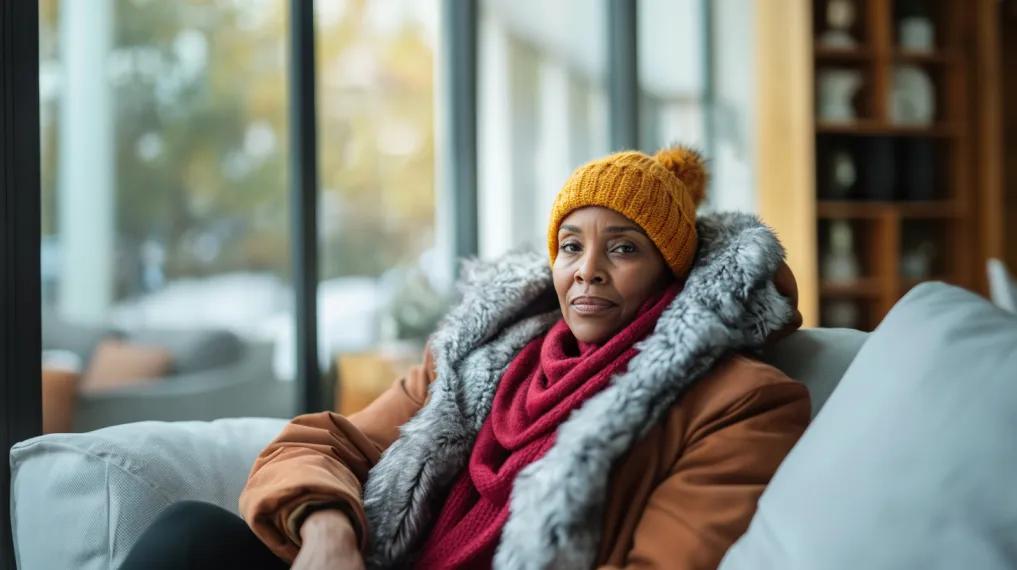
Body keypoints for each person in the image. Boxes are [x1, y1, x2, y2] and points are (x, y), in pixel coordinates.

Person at [122, 146, 810, 570]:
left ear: (672, 273)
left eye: (623, 248)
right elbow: (321, 442)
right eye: (570, 245)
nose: (587, 271)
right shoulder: (482, 358)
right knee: (190, 537)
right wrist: (328, 533)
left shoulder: (739, 402)